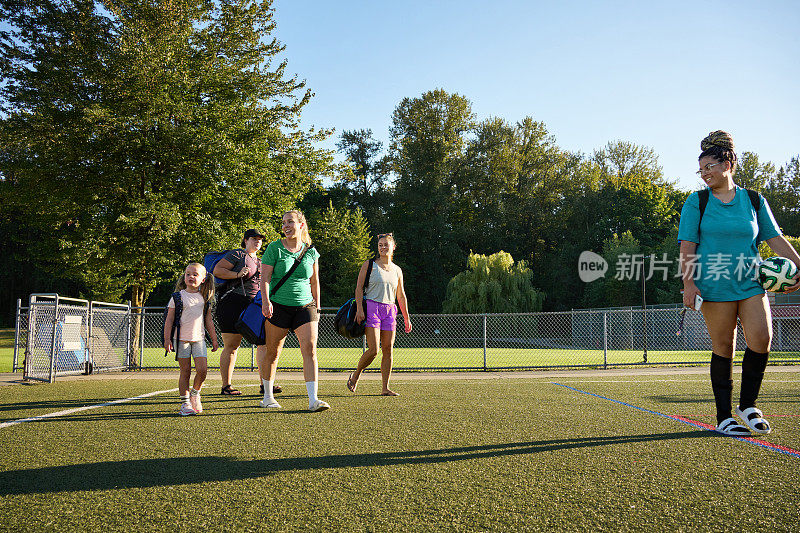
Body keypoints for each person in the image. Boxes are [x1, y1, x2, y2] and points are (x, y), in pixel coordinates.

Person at [678, 130, 800, 435]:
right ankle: (724, 417)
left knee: (761, 338)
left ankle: (748, 406)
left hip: (751, 282)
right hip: (714, 285)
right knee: (724, 346)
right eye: (701, 169)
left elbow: (774, 239)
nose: (705, 174)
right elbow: (687, 247)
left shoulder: (754, 200)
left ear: (728, 162)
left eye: (711, 167)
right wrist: (690, 285)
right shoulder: (697, 202)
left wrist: (799, 264)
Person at [257, 210, 329, 412]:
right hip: (278, 306)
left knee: (310, 350)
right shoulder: (274, 248)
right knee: (273, 352)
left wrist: (318, 306)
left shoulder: (311, 251)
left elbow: (315, 281)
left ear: (301, 225)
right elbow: (265, 279)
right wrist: (266, 301)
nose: (286, 226)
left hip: (306, 306)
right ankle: (268, 397)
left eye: (290, 222)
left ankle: (313, 399)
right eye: (283, 223)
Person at [213, 229, 281, 397]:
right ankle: (226, 386)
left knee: (263, 344)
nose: (257, 241)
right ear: (245, 240)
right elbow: (217, 270)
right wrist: (236, 274)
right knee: (232, 346)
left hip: (254, 305)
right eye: (253, 238)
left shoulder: (260, 260)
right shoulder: (237, 254)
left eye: (260, 239)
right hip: (232, 302)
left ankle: (265, 384)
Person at [347, 233, 412, 396]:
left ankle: (385, 387)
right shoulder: (369, 265)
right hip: (372, 308)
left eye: (386, 245)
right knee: (374, 349)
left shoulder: (397, 270)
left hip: (390, 310)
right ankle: (356, 375)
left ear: (393, 247)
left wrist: (406, 317)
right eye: (380, 245)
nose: (383, 247)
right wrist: (360, 309)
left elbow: (401, 295)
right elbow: (359, 288)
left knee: (388, 350)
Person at [163, 263, 219, 416]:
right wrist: (167, 340)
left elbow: (208, 320)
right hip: (181, 340)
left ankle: (195, 393)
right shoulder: (177, 297)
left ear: (203, 279)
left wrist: (214, 339)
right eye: (188, 274)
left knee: (202, 371)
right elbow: (169, 320)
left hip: (199, 340)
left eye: (195, 274)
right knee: (185, 371)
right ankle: (185, 403)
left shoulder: (205, 298)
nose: (191, 277)